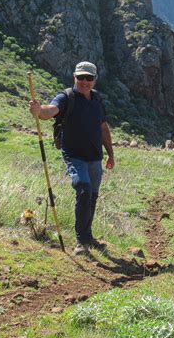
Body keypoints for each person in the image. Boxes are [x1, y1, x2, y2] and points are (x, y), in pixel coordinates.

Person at [29, 61, 115, 255]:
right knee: (83, 190)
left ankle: (88, 236)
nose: (84, 81)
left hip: (95, 157)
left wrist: (110, 154)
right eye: (81, 77)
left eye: (89, 78)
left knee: (92, 197)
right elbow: (51, 110)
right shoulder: (66, 97)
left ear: (95, 80)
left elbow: (103, 128)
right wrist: (39, 111)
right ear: (74, 77)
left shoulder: (97, 100)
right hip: (74, 156)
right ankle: (81, 242)